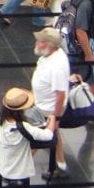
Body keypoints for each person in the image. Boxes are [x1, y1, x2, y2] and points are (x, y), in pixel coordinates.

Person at [30, 27, 70, 178]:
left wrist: (55, 117)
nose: (37, 43)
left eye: (40, 41)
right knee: (54, 133)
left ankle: (19, 169)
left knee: (35, 137)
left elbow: (60, 95)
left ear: (50, 45)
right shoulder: (51, 56)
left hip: (48, 109)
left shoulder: (57, 66)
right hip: (43, 104)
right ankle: (61, 164)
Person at [0, 87, 55, 185]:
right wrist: (52, 119)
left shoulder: (1, 120)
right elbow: (48, 135)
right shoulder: (23, 127)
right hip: (20, 172)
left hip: (4, 167)